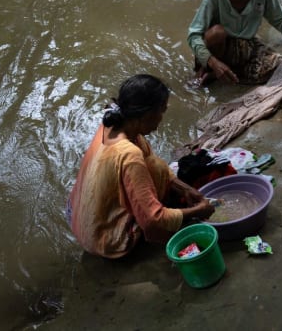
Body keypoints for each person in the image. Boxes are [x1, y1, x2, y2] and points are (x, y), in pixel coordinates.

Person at [68, 74, 214, 258]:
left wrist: (184, 188)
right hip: (106, 241)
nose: (162, 119)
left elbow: (152, 162)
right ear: (147, 114)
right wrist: (198, 211)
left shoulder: (112, 125)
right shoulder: (128, 154)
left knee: (153, 164)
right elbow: (154, 219)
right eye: (162, 111)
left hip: (78, 220)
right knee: (153, 176)